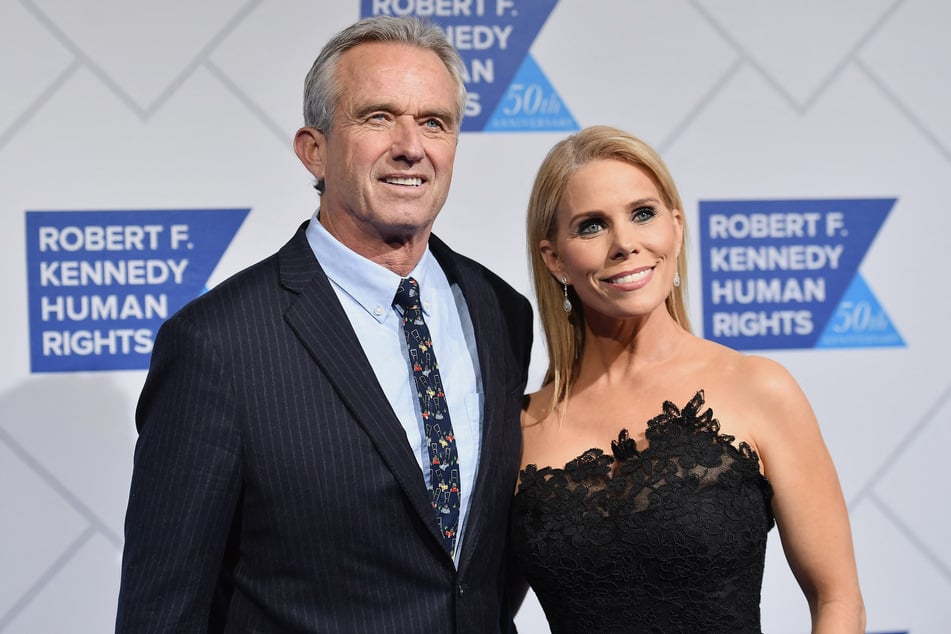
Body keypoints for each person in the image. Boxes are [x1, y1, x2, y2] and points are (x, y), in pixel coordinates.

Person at [116, 16, 532, 633]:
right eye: (377, 117)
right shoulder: (218, 345)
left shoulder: (502, 312)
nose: (411, 146)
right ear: (314, 149)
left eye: (434, 122)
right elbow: (162, 613)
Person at [510, 125, 865, 633]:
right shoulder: (520, 426)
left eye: (643, 214)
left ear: (675, 228)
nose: (625, 243)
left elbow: (839, 601)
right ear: (554, 259)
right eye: (592, 226)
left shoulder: (759, 388)